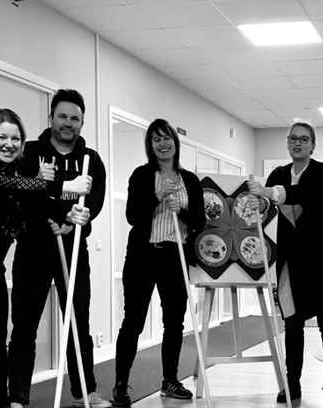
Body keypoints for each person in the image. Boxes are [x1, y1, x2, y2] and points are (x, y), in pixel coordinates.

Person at [7, 90, 110, 408]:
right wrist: (55, 211)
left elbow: (93, 203)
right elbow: (24, 199)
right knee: (24, 325)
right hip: (33, 250)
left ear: (82, 122)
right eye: (62, 116)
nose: (68, 123)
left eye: (75, 118)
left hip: (74, 247)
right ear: (51, 117)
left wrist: (75, 220)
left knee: (78, 323)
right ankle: (17, 397)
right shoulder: (28, 153)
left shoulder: (92, 160)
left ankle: (84, 392)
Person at [0, 108, 91, 408]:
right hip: (11, 262)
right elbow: (8, 184)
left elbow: (29, 203)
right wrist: (64, 186)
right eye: (1, 137)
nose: (9, 144)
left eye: (15, 138)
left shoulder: (15, 172)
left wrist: (67, 216)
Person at [247, 121, 323, 406]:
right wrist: (261, 204)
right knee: (292, 326)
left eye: (304, 139)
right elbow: (269, 207)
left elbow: (307, 194)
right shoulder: (278, 174)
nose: (298, 143)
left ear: (312, 145)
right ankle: (291, 384)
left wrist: (270, 194)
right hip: (291, 264)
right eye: (293, 138)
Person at [112, 119, 205, 406]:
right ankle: (120, 385)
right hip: (143, 256)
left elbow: (199, 221)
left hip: (174, 256)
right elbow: (132, 216)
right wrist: (157, 197)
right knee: (133, 322)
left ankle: (170, 381)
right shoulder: (141, 175)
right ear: (150, 146)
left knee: (174, 323)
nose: (163, 144)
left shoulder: (190, 180)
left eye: (167, 138)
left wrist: (182, 210)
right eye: (156, 139)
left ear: (175, 142)